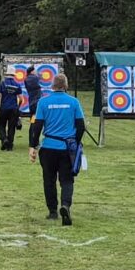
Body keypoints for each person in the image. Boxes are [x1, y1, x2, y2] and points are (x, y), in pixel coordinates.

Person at [30, 72, 86, 224]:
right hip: (66, 148)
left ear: (52, 85)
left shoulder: (43, 102)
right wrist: (75, 142)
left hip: (48, 147)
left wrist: (33, 145)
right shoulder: (73, 102)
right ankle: (65, 205)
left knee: (49, 180)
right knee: (67, 180)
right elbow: (81, 126)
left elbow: (37, 126)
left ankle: (53, 211)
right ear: (66, 86)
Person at [0, 68, 25, 151]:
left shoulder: (3, 83)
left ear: (7, 74)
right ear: (14, 75)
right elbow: (21, 99)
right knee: (11, 127)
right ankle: (10, 146)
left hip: (3, 108)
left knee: (0, 124)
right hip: (14, 109)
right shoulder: (17, 84)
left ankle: (4, 139)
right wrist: (18, 106)